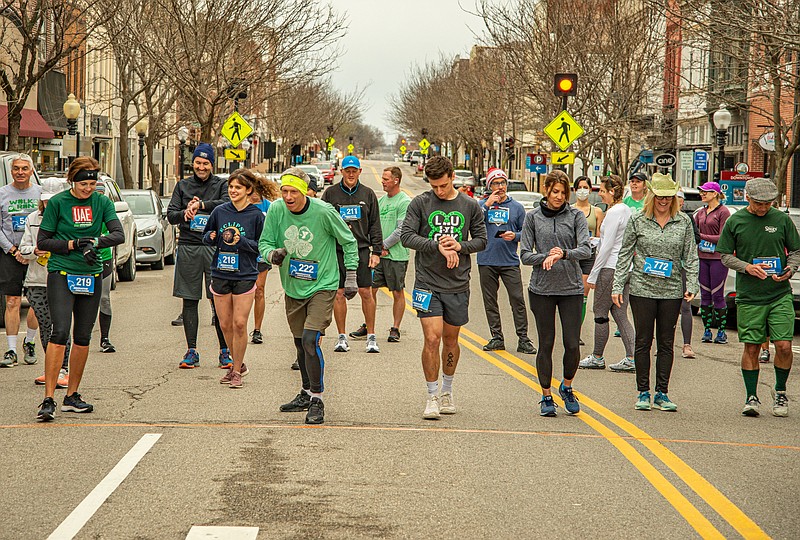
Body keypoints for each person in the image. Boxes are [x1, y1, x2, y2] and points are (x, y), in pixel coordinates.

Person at [259, 167, 359, 424]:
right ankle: (305, 392)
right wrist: (272, 255)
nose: (288, 196)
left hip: (322, 284)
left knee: (310, 339)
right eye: (284, 191)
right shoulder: (276, 210)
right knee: (298, 342)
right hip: (293, 285)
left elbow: (348, 240)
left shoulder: (323, 212)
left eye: (294, 191)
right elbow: (264, 243)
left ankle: (317, 399)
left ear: (305, 192)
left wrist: (351, 276)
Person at [35, 157, 125, 421]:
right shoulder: (59, 203)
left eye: (92, 183)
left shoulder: (101, 201)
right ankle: (48, 398)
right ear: (71, 181)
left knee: (83, 335)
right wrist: (74, 244)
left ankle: (71, 395)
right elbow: (44, 240)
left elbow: (118, 234)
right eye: (83, 183)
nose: (88, 188)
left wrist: (95, 242)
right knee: (60, 331)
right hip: (62, 272)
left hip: (91, 273)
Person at [401, 156, 487, 419]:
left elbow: (482, 240)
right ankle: (432, 395)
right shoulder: (420, 203)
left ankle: (448, 390)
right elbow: (406, 236)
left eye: (442, 185)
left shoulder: (470, 205)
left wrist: (460, 246)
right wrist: (435, 245)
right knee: (432, 338)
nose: (438, 191)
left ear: (452, 177)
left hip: (458, 283)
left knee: (450, 340)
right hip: (427, 282)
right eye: (433, 186)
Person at [612, 173, 698, 412]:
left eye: (668, 197)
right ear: (652, 196)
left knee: (666, 342)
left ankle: (662, 392)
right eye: (659, 196)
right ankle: (643, 392)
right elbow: (624, 254)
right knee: (643, 341)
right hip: (642, 288)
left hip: (670, 290)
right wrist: (618, 285)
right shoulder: (638, 220)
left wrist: (692, 284)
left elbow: (690, 256)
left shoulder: (683, 222)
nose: (663, 200)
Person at [717, 178, 800, 417]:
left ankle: (780, 391)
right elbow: (724, 255)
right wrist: (747, 267)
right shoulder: (736, 221)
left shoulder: (782, 220)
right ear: (747, 198)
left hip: (779, 294)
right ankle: (751, 396)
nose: (763, 208)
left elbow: (795, 251)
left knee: (784, 345)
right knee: (752, 347)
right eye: (758, 204)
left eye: (767, 204)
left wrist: (790, 270)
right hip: (750, 295)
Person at [520, 170, 590, 416]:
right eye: (555, 192)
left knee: (572, 344)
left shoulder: (575, 216)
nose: (559, 197)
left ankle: (567, 387)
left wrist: (564, 253)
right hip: (542, 290)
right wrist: (545, 257)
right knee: (546, 344)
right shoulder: (533, 217)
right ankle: (546, 395)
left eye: (563, 192)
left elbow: (585, 249)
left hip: (570, 289)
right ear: (546, 191)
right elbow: (525, 254)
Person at [166, 143, 231, 369]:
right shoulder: (182, 186)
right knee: (190, 300)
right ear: (192, 163)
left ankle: (225, 351)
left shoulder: (221, 185)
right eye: (198, 163)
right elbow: (171, 215)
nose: (201, 167)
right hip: (188, 246)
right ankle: (191, 350)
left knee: (218, 300)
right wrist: (185, 212)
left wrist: (201, 204)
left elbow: (227, 204)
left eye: (205, 163)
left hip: (215, 248)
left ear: (212, 164)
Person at [203, 169, 270, 388]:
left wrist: (242, 242)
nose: (233, 191)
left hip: (245, 273)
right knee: (225, 324)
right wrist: (210, 237)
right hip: (221, 273)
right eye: (231, 187)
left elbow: (261, 246)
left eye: (238, 188)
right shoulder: (220, 212)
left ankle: (236, 372)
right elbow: (206, 235)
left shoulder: (256, 216)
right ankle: (238, 365)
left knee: (240, 323)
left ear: (248, 191)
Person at [321, 155, 383, 354]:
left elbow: (375, 224)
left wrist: (377, 251)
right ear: (341, 172)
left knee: (366, 292)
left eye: (353, 170)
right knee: (339, 293)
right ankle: (341, 337)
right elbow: (322, 222)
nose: (350, 173)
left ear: (359, 172)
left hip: (362, 250)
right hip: (337, 250)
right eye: (347, 170)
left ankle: (371, 336)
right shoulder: (330, 194)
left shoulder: (368, 193)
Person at [477, 167, 536, 354]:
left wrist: (515, 236)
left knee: (517, 299)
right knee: (490, 301)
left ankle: (523, 338)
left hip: (509, 261)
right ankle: (496, 337)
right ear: (489, 186)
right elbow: (474, 224)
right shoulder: (481, 205)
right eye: (496, 183)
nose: (500, 187)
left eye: (503, 183)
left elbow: (526, 234)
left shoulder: (517, 207)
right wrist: (487, 204)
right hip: (486, 260)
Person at [580, 175, 635, 371]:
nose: (600, 194)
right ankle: (632, 357)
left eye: (602, 191)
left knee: (600, 313)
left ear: (612, 191)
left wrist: (594, 274)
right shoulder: (626, 209)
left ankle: (597, 356)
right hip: (625, 267)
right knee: (620, 313)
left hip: (610, 268)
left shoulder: (613, 213)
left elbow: (607, 246)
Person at [20, 178, 71, 388]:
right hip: (37, 280)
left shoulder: (68, 218)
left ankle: (64, 369)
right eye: (46, 200)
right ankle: (52, 368)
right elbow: (23, 248)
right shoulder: (33, 218)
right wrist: (34, 251)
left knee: (61, 326)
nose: (49, 204)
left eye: (54, 200)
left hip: (62, 277)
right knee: (45, 326)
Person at [352, 166, 411, 343]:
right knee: (370, 290)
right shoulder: (381, 201)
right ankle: (368, 325)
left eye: (386, 179)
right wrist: (376, 247)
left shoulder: (404, 202)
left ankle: (395, 328)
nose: (383, 182)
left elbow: (401, 230)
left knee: (397, 292)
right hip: (379, 255)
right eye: (383, 178)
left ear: (396, 180)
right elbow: (373, 225)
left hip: (397, 255)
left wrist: (384, 245)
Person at [0, 153, 40, 367]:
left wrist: (30, 252)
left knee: (36, 302)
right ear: (11, 171)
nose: (20, 172)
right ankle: (11, 350)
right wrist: (14, 250)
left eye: (25, 168)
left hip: (35, 256)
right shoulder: (2, 194)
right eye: (16, 168)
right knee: (12, 301)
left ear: (31, 170)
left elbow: (47, 225)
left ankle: (30, 342)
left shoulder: (40, 194)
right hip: (10, 254)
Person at [693, 181, 731, 345]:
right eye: (701, 191)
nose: (702, 194)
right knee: (705, 295)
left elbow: (722, 237)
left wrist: (702, 236)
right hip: (702, 257)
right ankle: (707, 330)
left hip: (717, 259)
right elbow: (694, 233)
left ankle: (721, 332)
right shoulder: (700, 212)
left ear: (715, 193)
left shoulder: (724, 212)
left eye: (706, 192)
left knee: (718, 294)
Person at [248, 176, 280, 346]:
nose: (253, 194)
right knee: (243, 292)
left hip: (261, 253)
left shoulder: (268, 206)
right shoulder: (243, 204)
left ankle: (257, 330)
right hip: (244, 253)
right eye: (250, 190)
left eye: (255, 190)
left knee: (259, 290)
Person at [572, 175, 604, 342]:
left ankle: (576, 331)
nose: (582, 190)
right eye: (580, 187)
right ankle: (569, 329)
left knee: (583, 294)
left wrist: (594, 240)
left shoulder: (597, 211)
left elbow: (600, 235)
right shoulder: (569, 210)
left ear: (590, 190)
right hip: (572, 255)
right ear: (574, 190)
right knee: (571, 294)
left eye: (586, 187)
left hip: (589, 255)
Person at [677, 190, 700, 358]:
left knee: (685, 306)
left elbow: (695, 239)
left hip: (683, 266)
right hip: (665, 269)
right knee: (665, 307)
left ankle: (687, 345)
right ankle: (664, 344)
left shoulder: (687, 218)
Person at [93, 182, 116, 353]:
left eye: (101, 193)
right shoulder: (82, 210)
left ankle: (105, 339)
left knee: (104, 298)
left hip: (104, 258)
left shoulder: (107, 209)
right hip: (83, 261)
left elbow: (116, 232)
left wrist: (103, 238)